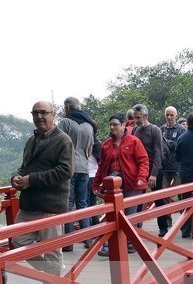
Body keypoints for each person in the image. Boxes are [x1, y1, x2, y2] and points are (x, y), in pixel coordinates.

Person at [11, 101, 73, 284]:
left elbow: (65, 171)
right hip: (29, 204)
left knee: (53, 250)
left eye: (43, 113)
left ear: (53, 114)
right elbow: (24, 166)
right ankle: (53, 275)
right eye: (35, 113)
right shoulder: (32, 140)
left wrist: (32, 180)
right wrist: (16, 176)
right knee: (17, 241)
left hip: (51, 205)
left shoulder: (63, 140)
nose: (39, 117)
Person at [92, 113, 149, 256]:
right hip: (113, 184)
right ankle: (108, 246)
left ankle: (130, 243)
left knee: (129, 216)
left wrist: (141, 177)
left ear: (124, 125)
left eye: (115, 124)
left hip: (132, 183)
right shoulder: (106, 145)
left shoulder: (133, 141)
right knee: (111, 215)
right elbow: (102, 166)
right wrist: (96, 183)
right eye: (111, 124)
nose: (112, 127)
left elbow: (143, 160)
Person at [58, 97, 94, 252]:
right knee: (82, 203)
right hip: (84, 167)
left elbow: (57, 143)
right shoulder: (89, 125)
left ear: (67, 108)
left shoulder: (65, 123)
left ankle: (69, 242)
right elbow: (90, 149)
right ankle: (88, 239)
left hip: (68, 167)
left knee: (68, 204)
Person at [132, 103, 164, 234]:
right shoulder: (135, 130)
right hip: (140, 169)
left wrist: (154, 174)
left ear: (146, 116)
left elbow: (158, 152)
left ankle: (163, 227)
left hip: (154, 168)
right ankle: (137, 227)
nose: (137, 120)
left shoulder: (154, 130)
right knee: (138, 199)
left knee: (158, 198)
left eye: (139, 117)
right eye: (135, 117)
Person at [158, 106, 186, 236]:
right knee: (163, 194)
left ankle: (183, 221)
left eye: (171, 115)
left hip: (178, 166)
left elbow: (179, 146)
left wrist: (167, 142)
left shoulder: (181, 129)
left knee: (180, 194)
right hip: (164, 166)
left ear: (176, 115)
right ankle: (166, 222)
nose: (169, 117)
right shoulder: (161, 129)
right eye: (167, 115)